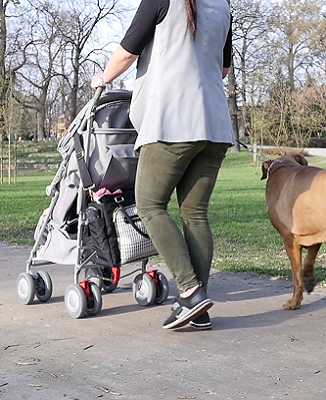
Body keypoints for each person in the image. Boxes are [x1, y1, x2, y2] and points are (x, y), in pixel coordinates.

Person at [91, 0, 233, 330]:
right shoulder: (223, 5)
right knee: (195, 213)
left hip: (172, 120)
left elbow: (127, 51)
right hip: (214, 124)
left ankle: (190, 291)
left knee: (150, 205)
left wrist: (103, 78)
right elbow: (223, 70)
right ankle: (198, 307)